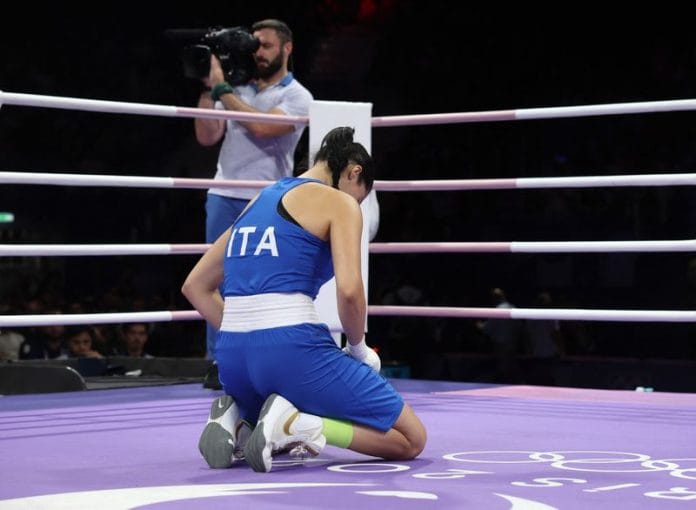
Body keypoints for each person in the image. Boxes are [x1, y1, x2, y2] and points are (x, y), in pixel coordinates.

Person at [182, 127, 426, 473]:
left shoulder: (257, 201)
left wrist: (249, 332)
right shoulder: (339, 202)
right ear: (354, 172)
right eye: (360, 198)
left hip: (233, 362)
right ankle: (300, 424)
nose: (356, 205)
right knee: (410, 439)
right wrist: (358, 347)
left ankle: (239, 419)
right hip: (292, 351)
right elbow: (350, 291)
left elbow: (194, 286)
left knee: (277, 408)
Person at [194, 18, 313, 362]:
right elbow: (206, 136)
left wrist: (223, 91)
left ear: (287, 48)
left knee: (264, 282)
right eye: (254, 45)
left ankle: (264, 358)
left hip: (268, 200)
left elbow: (263, 127)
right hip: (223, 194)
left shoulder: (297, 95)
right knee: (215, 281)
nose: (258, 52)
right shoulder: (237, 90)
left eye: (266, 45)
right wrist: (209, 88)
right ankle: (218, 361)